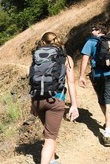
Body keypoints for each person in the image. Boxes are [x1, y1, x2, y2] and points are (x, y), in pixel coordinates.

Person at [30, 32, 79, 164]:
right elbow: (71, 82)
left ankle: (52, 161)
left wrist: (32, 104)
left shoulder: (37, 57)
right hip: (55, 100)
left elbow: (33, 80)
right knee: (50, 138)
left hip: (37, 100)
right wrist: (74, 105)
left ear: (43, 42)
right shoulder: (66, 58)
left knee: (49, 131)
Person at [79, 23, 110, 147]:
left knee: (102, 100)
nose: (91, 31)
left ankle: (108, 127)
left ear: (99, 31)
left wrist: (81, 76)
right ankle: (108, 130)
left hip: (98, 75)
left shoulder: (91, 42)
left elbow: (85, 58)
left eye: (93, 29)